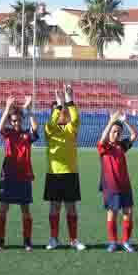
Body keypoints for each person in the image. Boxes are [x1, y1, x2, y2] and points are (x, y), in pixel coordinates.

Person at [43, 84, 87, 251]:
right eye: (59, 111)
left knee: (71, 207)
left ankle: (73, 240)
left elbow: (75, 119)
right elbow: (51, 123)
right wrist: (59, 105)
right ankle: (53, 238)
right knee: (54, 207)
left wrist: (69, 100)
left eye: (64, 111)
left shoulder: (71, 128)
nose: (63, 113)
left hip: (70, 173)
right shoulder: (49, 130)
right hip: (54, 174)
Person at [0, 95, 39, 251]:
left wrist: (29, 109)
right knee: (3, 209)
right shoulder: (7, 133)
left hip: (24, 176)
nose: (16, 123)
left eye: (19, 120)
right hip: (8, 177)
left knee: (25, 210)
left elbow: (35, 128)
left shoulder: (27, 135)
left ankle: (27, 241)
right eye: (13, 121)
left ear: (22, 120)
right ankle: (0, 241)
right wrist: (7, 108)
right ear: (10, 121)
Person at [98, 109, 138, 253]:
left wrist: (125, 121)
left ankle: (126, 241)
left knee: (128, 212)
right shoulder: (104, 146)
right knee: (112, 213)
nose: (116, 134)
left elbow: (134, 135)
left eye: (118, 132)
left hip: (125, 186)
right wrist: (111, 122)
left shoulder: (121, 146)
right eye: (114, 131)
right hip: (111, 187)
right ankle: (113, 242)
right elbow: (102, 138)